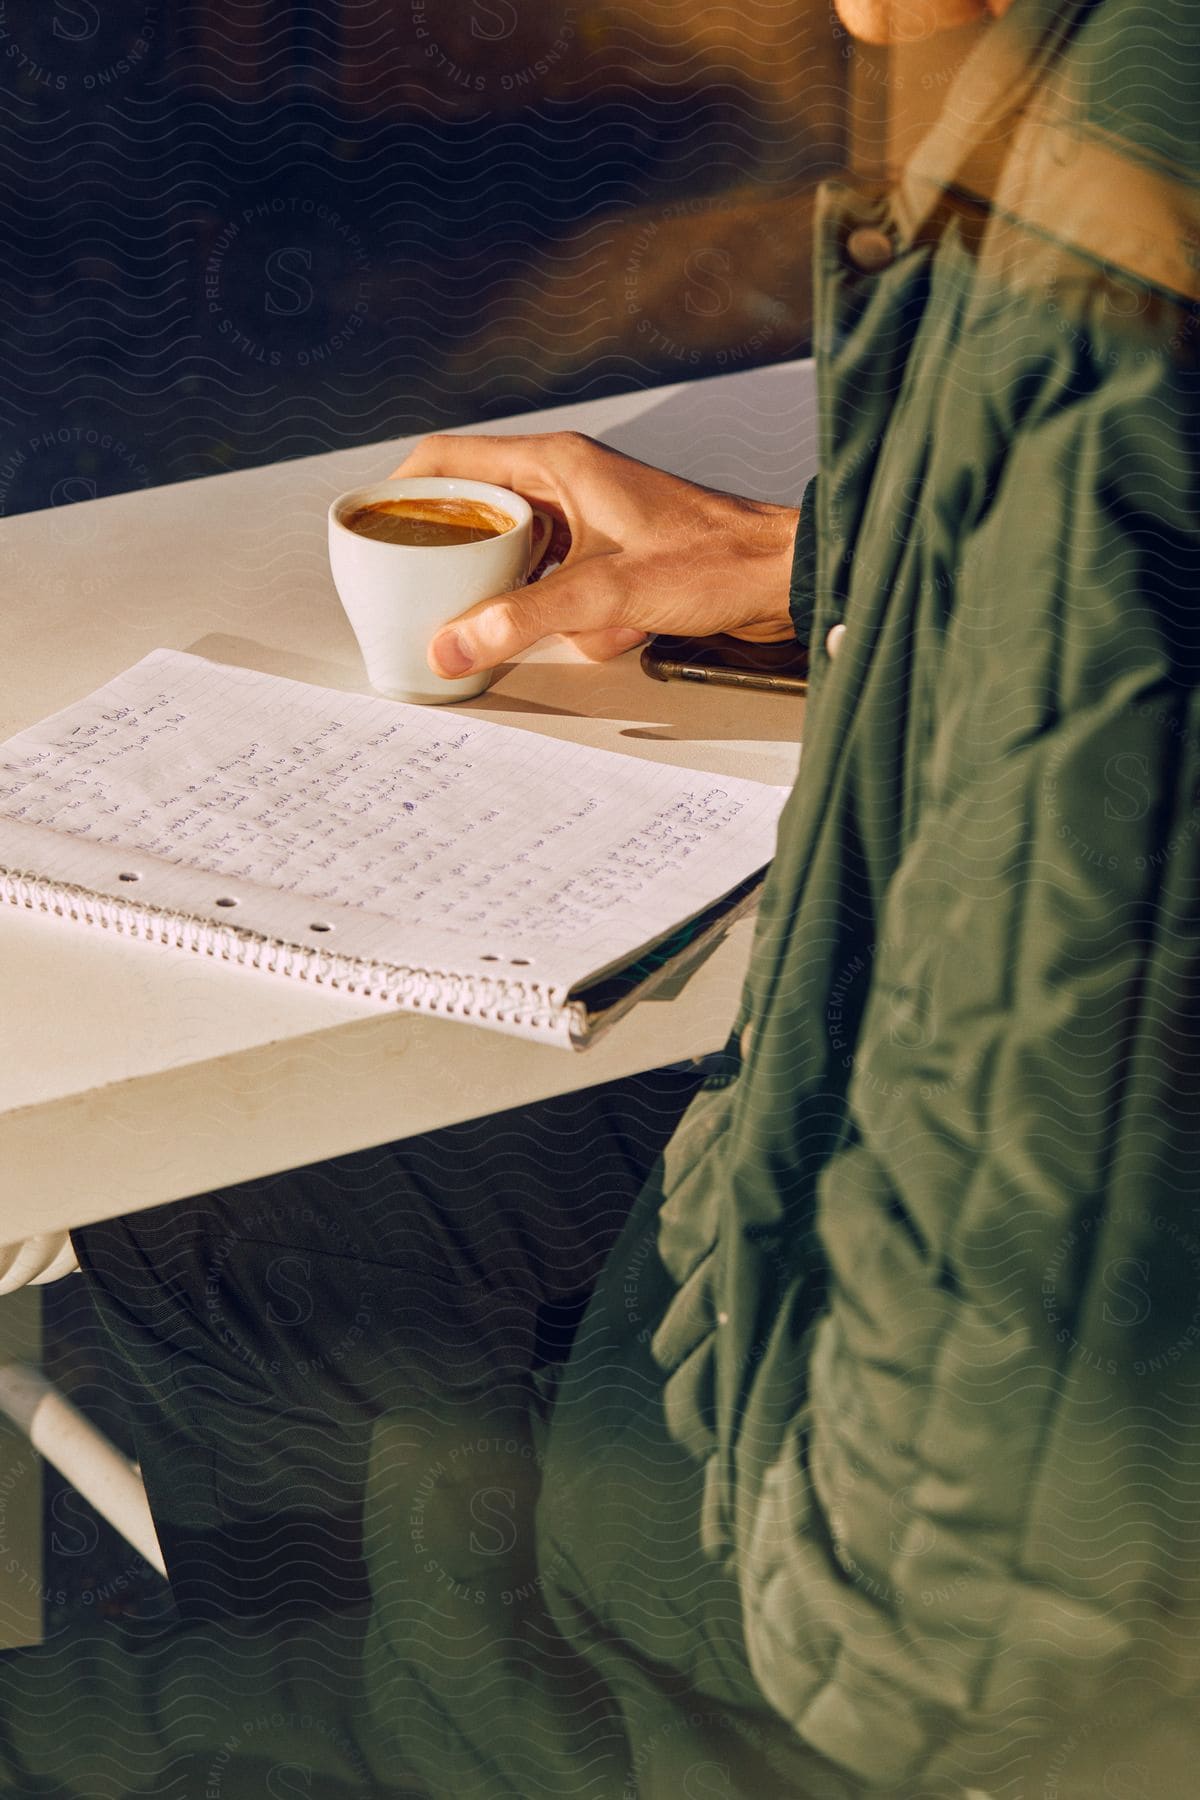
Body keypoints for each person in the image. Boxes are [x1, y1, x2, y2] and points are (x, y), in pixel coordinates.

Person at [12, 0, 1195, 1794]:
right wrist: (836, 559)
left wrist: (450, 1707)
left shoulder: (1119, 244)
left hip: (733, 1673)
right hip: (803, 1491)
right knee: (233, 1239)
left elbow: (963, 1611)